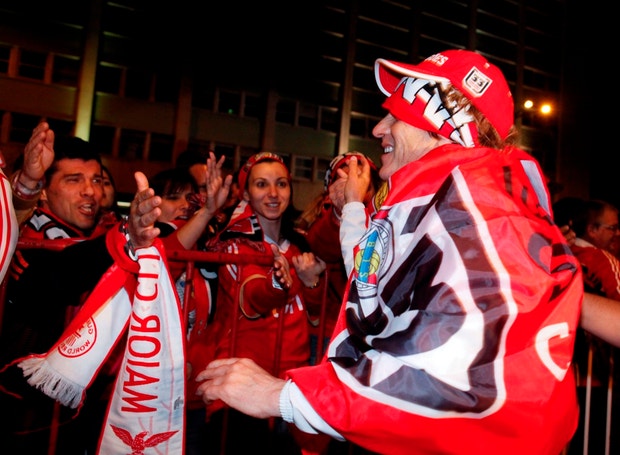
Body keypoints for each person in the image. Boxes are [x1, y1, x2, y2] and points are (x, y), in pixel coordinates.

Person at [193, 49, 583, 454]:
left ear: (444, 124)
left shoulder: (480, 212)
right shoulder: (453, 202)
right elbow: (372, 293)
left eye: (397, 115)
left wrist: (283, 396)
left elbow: (460, 385)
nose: (380, 128)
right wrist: (354, 207)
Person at [0, 124, 118, 454]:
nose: (90, 191)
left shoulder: (95, 235)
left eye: (97, 180)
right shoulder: (29, 239)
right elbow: (56, 278)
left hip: (70, 417)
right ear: (44, 192)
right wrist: (124, 241)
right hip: (21, 418)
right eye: (73, 180)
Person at [198, 151, 326, 454]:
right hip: (240, 386)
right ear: (245, 194)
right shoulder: (233, 244)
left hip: (289, 388)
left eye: (281, 184)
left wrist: (310, 282)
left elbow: (315, 316)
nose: (273, 193)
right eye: (261, 184)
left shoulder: (301, 246)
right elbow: (251, 300)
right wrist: (277, 283)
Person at [295, 152, 381, 367]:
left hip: (375, 335)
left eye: (361, 180)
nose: (354, 186)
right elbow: (322, 246)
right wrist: (341, 209)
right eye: (344, 180)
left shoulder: (388, 218)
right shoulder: (327, 218)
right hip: (331, 333)